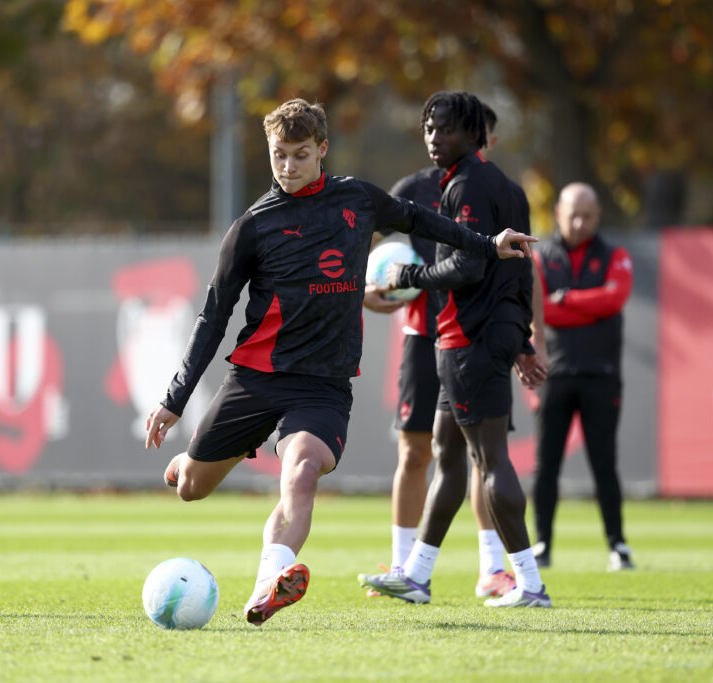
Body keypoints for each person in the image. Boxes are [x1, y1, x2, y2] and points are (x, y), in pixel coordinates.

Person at [143, 98, 538, 626]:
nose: (287, 167)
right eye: (278, 155)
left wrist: (489, 244)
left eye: (300, 155)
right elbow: (213, 317)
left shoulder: (357, 199)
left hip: (322, 389)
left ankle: (269, 582)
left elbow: (424, 220)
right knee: (192, 487)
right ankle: (188, 463)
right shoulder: (252, 228)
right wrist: (175, 400)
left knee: (302, 470)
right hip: (256, 380)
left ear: (322, 150)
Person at [359, 91, 551, 608]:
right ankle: (416, 576)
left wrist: (408, 275)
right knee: (446, 455)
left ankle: (528, 583)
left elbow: (469, 266)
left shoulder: (464, 186)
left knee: (490, 462)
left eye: (445, 130)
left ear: (474, 133)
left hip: (469, 339)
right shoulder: (507, 188)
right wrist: (524, 340)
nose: (433, 138)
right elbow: (515, 267)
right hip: (479, 337)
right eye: (428, 129)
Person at [529, 182, 635, 572]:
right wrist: (586, 307)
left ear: (598, 216)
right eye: (573, 213)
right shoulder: (542, 256)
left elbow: (615, 298)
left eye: (587, 215)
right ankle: (541, 544)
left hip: (601, 375)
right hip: (554, 374)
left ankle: (617, 545)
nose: (579, 221)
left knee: (604, 463)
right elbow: (539, 310)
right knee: (547, 465)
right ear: (558, 212)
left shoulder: (614, 254)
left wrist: (567, 298)